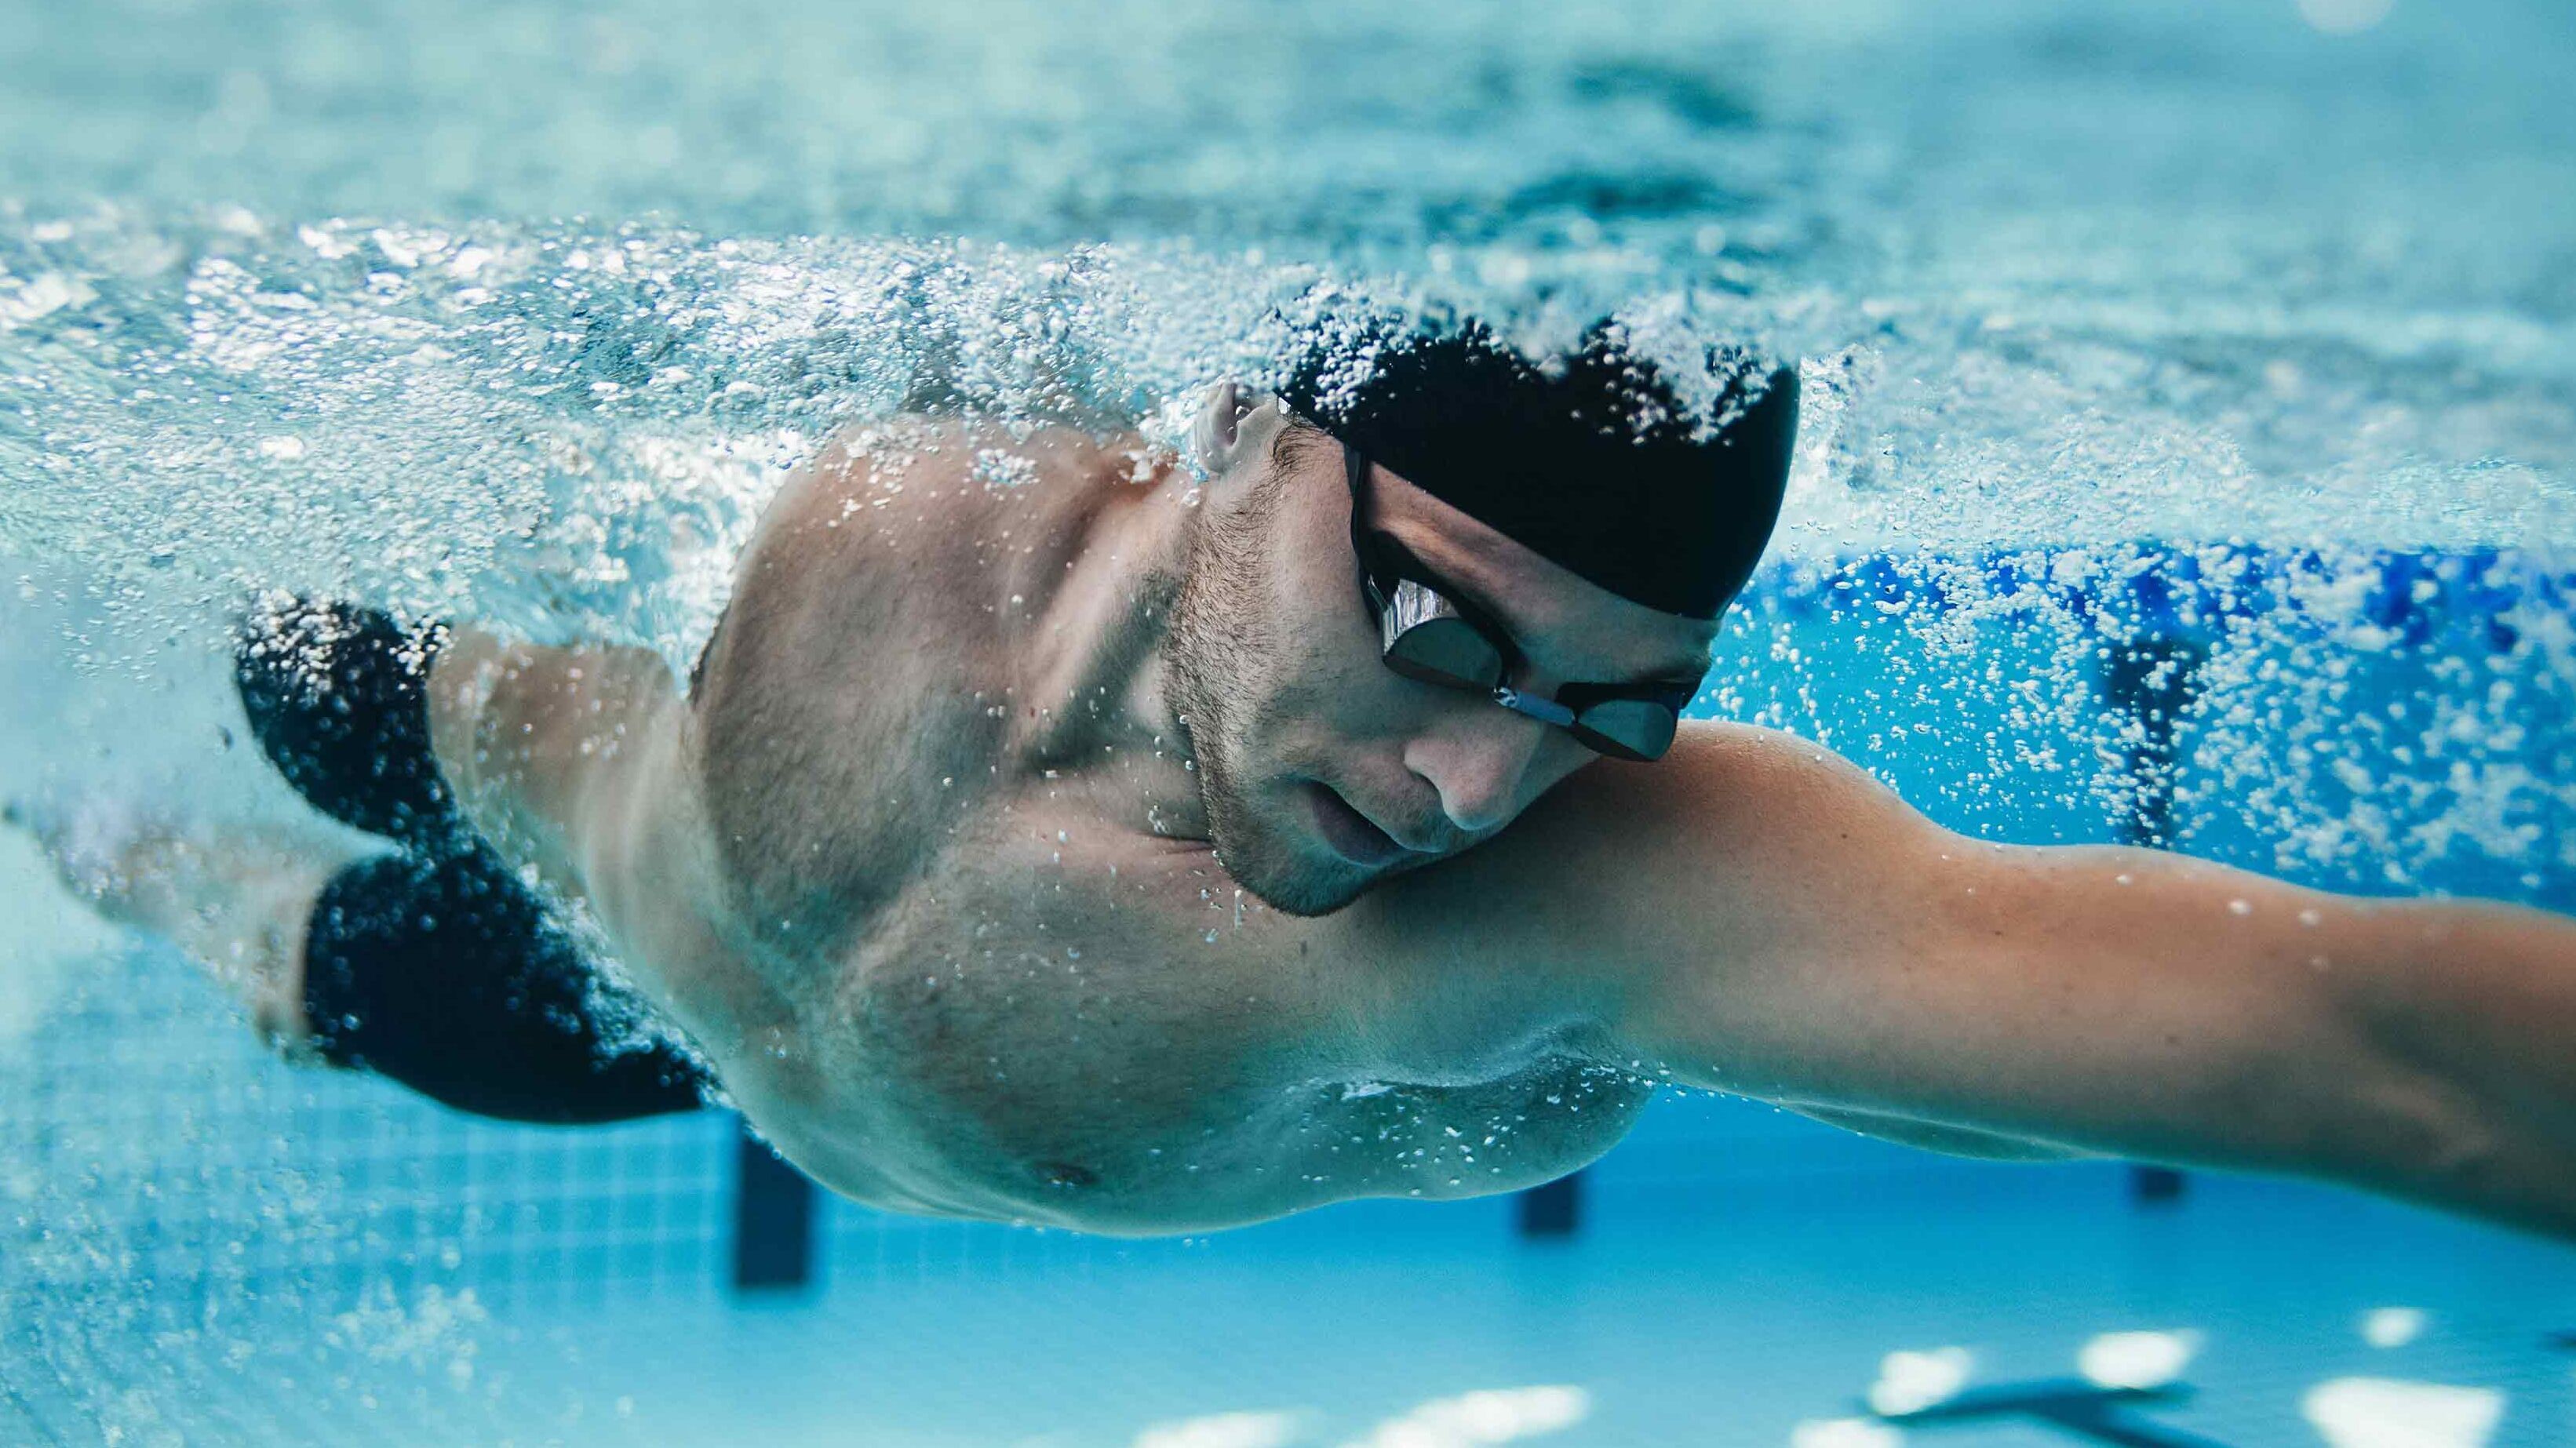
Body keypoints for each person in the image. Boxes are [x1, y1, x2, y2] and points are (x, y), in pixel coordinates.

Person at [26, 318, 2576, 1238]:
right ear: (1240, 429)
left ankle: (141, 883)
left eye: (1602, 705)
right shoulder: (941, 440)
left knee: (271, 948)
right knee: (249, 659)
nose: (1478, 780)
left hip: (645, 1047)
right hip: (506, 749)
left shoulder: (1584, 911)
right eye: (1443, 627)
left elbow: (2362, 1048)